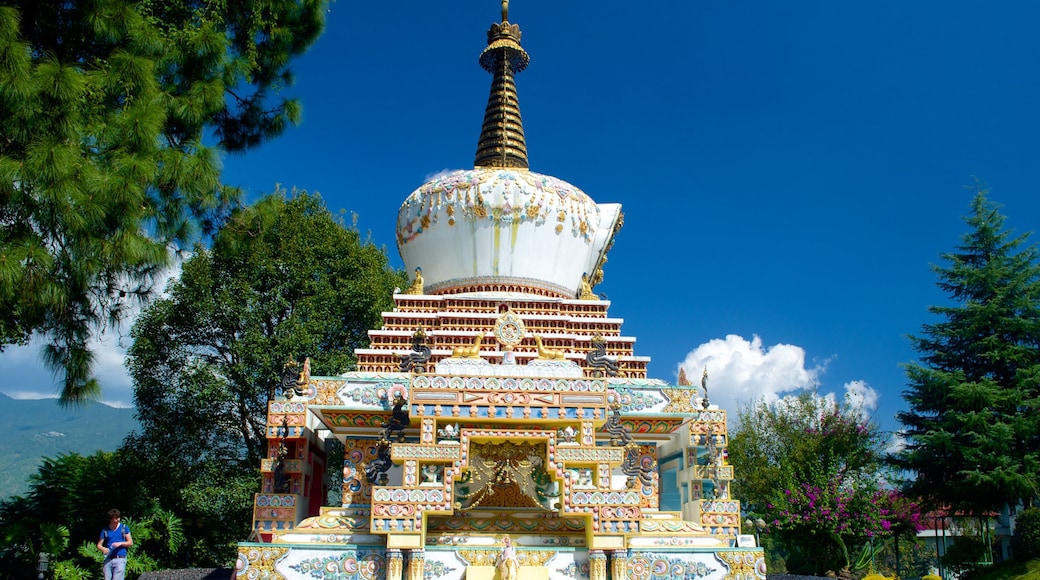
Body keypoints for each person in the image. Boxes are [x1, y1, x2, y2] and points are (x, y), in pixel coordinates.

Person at [97, 509, 132, 580]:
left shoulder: (124, 528)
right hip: (108, 558)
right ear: (110, 519)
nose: (118, 519)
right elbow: (99, 545)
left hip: (120, 558)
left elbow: (130, 543)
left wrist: (120, 543)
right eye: (115, 518)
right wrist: (103, 549)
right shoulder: (105, 530)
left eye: (118, 517)